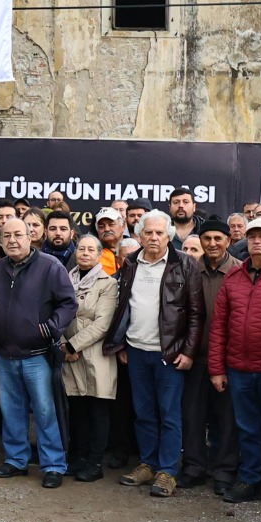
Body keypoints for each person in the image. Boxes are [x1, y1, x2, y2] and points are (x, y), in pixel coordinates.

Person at [106, 212, 200, 497]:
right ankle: (148, 463)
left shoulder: (184, 263)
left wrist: (189, 351)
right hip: (136, 350)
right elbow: (123, 306)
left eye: (159, 233)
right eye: (148, 232)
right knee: (143, 412)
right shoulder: (131, 263)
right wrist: (121, 344)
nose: (154, 238)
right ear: (139, 235)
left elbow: (196, 313)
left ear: (169, 235)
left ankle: (167, 471)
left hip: (169, 354)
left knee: (169, 414)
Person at [210, 215, 261, 506]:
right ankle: (249, 478)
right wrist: (217, 368)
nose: (257, 241)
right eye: (252, 236)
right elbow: (219, 326)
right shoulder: (234, 277)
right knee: (247, 428)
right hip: (239, 369)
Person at [0, 216, 77, 484]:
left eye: (18, 235)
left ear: (30, 237)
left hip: (37, 355)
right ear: (0, 242)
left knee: (45, 412)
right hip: (4, 353)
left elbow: (68, 303)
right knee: (11, 411)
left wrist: (51, 328)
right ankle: (16, 460)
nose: (12, 240)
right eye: (6, 236)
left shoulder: (50, 266)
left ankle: (54, 466)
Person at [181, 217, 239, 494]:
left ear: (228, 240)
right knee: (192, 415)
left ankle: (224, 470)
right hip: (194, 356)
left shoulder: (239, 270)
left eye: (218, 238)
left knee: (225, 418)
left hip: (229, 358)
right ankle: (194, 467)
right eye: (207, 238)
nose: (212, 243)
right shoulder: (189, 269)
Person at [58, 232, 120, 483]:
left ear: (99, 254)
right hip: (69, 354)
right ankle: (78, 458)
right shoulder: (65, 279)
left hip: (94, 354)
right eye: (81, 249)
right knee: (77, 409)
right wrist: (63, 345)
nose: (84, 253)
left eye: (90, 250)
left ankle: (94, 463)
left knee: (97, 409)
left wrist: (73, 345)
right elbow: (57, 314)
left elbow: (103, 324)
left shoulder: (108, 284)